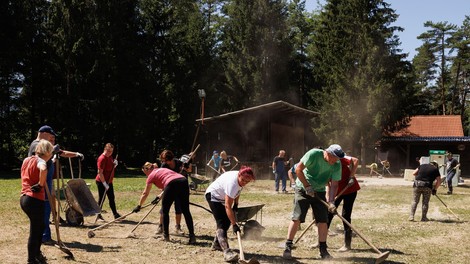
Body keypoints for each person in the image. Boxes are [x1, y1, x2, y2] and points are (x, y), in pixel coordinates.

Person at [283, 144, 344, 260]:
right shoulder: (313, 154)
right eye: (334, 158)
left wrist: (331, 201)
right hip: (302, 188)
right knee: (297, 218)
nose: (335, 161)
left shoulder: (337, 164)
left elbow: (334, 184)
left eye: (337, 159)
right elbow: (298, 170)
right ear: (327, 153)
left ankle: (323, 250)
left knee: (323, 220)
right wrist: (307, 186)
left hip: (319, 191)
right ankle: (288, 247)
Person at [27, 125, 84, 244]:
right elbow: (39, 160)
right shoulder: (36, 144)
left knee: (47, 210)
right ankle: (44, 237)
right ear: (43, 133)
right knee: (45, 210)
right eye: (50, 136)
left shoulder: (44, 144)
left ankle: (45, 236)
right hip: (42, 183)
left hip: (46, 181)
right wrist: (53, 153)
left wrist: (76, 154)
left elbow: (60, 153)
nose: (51, 139)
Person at [133, 164, 196, 244]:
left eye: (145, 172)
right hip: (183, 181)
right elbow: (169, 183)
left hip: (172, 183)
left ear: (148, 169)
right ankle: (192, 237)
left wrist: (139, 206)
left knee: (165, 211)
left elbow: (145, 193)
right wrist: (159, 196)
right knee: (186, 211)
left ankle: (166, 236)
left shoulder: (151, 175)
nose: (146, 175)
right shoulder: (162, 170)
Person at [205, 166, 256, 262]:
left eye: (247, 181)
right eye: (243, 180)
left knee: (226, 220)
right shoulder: (232, 183)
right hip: (213, 196)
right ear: (239, 175)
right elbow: (228, 206)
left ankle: (217, 244)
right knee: (222, 222)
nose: (244, 183)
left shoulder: (240, 179)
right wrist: (234, 225)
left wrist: (236, 204)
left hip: (222, 197)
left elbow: (237, 191)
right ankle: (227, 252)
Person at [21, 139, 54, 264]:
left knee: (39, 228)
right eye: (50, 153)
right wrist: (40, 184)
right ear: (46, 152)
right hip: (34, 199)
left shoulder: (26, 160)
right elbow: (43, 168)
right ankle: (31, 260)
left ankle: (37, 255)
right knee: (35, 231)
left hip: (24, 198)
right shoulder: (41, 161)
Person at [326, 155, 361, 252]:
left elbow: (355, 160)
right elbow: (328, 185)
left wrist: (351, 176)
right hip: (336, 192)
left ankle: (347, 244)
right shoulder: (323, 164)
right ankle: (321, 241)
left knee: (346, 215)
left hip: (350, 189)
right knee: (328, 214)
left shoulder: (338, 157)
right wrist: (329, 200)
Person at [156, 149, 192, 235]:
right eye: (163, 161)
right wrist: (162, 191)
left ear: (171, 159)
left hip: (180, 189)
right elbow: (161, 176)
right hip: (168, 188)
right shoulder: (164, 165)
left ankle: (178, 227)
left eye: (166, 160)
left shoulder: (180, 163)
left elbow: (189, 171)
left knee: (179, 208)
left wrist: (187, 166)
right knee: (164, 209)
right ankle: (160, 226)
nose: (165, 162)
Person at [95, 143, 120, 220]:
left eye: (111, 151)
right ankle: (98, 214)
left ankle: (115, 214)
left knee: (111, 197)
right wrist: (104, 183)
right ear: (105, 149)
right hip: (101, 181)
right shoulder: (102, 158)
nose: (110, 152)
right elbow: (100, 173)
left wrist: (114, 164)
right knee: (102, 198)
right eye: (108, 151)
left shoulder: (110, 157)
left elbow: (110, 166)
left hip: (109, 181)